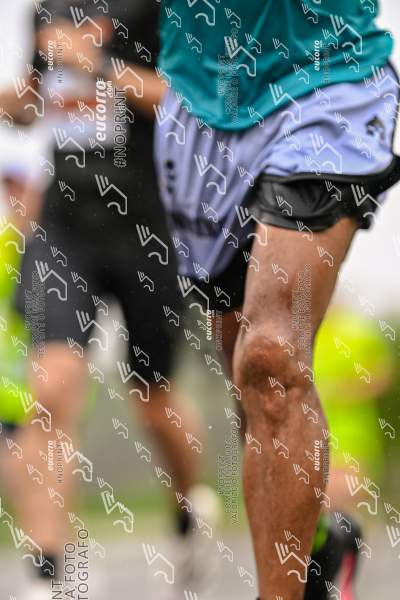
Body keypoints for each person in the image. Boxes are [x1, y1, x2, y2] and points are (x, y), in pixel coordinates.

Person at [154, 1, 400, 598]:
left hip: (326, 79)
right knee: (249, 377)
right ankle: (319, 544)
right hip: (203, 101)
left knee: (270, 357)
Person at [0, 2, 218, 598]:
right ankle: (49, 573)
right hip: (65, 227)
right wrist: (13, 102)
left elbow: (188, 102)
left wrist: (97, 64)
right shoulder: (46, 9)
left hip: (146, 227)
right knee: (51, 386)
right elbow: (35, 103)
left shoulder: (155, 9)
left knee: (153, 400)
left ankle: (187, 510)